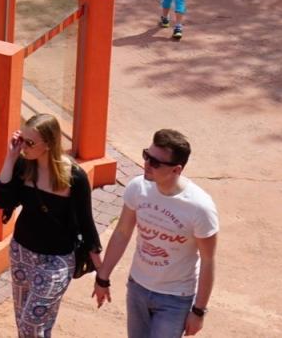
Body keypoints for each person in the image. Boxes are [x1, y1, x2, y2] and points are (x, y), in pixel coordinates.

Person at [93, 129, 218, 338]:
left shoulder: (199, 208)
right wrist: (103, 276)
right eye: (146, 156)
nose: (147, 164)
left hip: (175, 298)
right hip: (137, 288)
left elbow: (208, 260)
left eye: (155, 162)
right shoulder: (138, 188)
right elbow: (122, 233)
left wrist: (199, 311)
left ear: (176, 170)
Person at [0, 113, 103, 337]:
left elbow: (87, 225)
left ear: (49, 143)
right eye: (22, 139)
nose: (24, 146)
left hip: (57, 260)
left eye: (30, 143)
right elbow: (1, 200)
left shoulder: (74, 177)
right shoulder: (24, 165)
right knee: (29, 324)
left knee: (30, 324)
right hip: (22, 253)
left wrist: (102, 275)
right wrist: (10, 157)